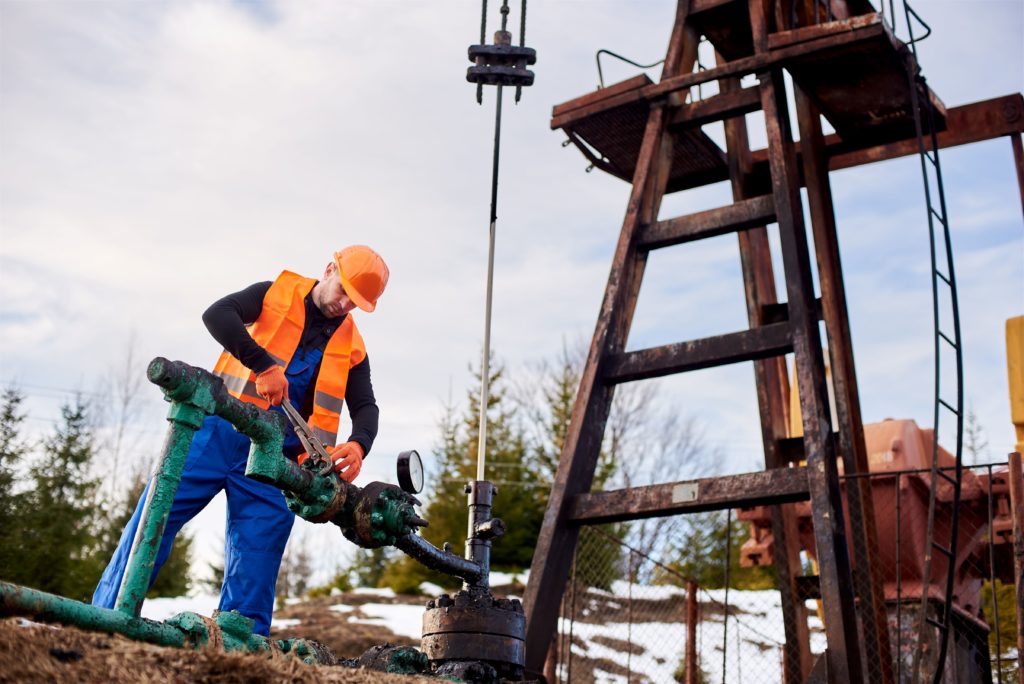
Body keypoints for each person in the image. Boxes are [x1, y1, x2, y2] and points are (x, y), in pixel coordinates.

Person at [92, 245, 389, 635]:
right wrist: (263, 364)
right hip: (217, 434)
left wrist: (359, 442)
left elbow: (365, 405)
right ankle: (104, 621)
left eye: (357, 302)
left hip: (277, 462)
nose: (345, 304)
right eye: (344, 290)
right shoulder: (273, 293)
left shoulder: (353, 347)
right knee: (154, 519)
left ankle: (239, 648)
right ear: (330, 268)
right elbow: (216, 314)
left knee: (257, 559)